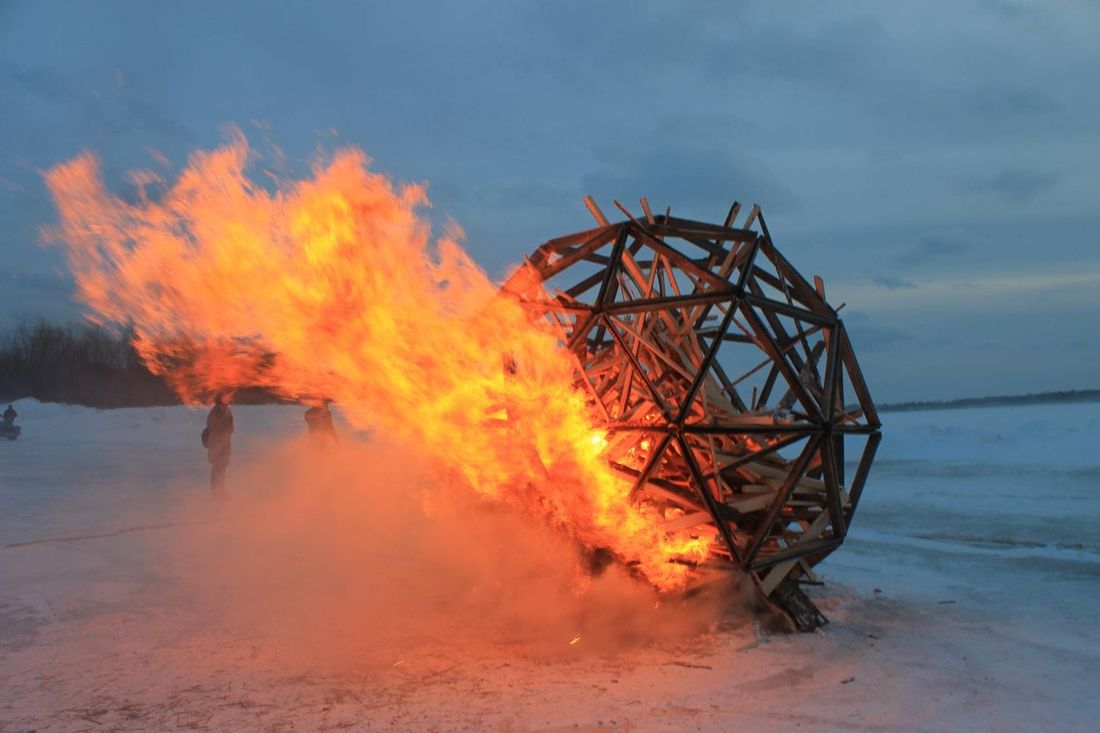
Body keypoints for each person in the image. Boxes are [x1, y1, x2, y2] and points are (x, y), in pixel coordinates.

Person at [203, 393, 234, 497]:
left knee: (221, 469)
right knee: (217, 469)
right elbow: (216, 428)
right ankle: (215, 493)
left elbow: (231, 429)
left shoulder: (226, 412)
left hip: (224, 445)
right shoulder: (215, 413)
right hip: (217, 445)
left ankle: (219, 492)